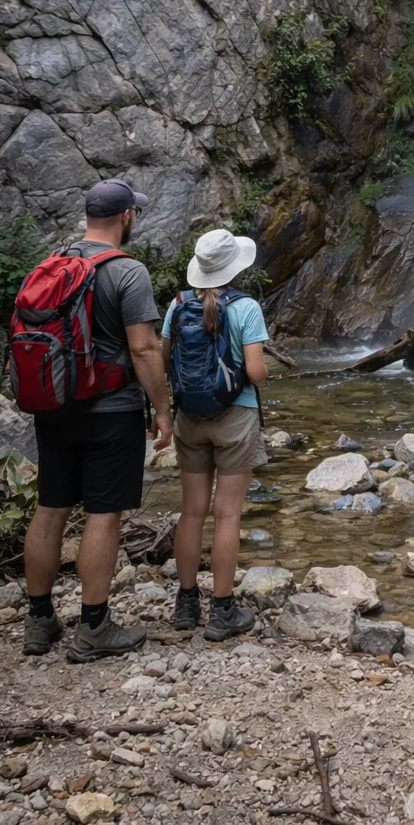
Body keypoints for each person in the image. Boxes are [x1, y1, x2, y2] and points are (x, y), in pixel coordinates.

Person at [23, 179, 173, 661]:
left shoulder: (53, 263)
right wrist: (163, 410)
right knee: (103, 513)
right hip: (110, 410)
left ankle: (39, 620)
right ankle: (94, 627)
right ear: (127, 217)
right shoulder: (128, 272)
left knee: (51, 508)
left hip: (53, 404)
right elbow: (144, 348)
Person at [162, 228, 269, 641]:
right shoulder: (246, 307)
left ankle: (186, 602)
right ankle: (223, 610)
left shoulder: (177, 306)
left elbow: (164, 358)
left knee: (192, 512)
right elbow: (256, 372)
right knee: (227, 513)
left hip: (189, 417)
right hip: (235, 417)